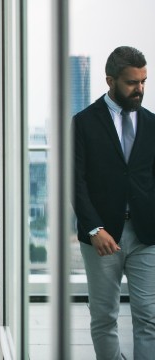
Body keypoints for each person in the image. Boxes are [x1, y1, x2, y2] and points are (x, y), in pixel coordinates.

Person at [73, 46, 155, 359]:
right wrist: (94, 227)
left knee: (148, 317)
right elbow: (74, 181)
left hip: (146, 234)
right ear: (110, 81)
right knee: (104, 317)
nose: (140, 89)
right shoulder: (83, 123)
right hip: (102, 235)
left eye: (144, 81)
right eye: (132, 83)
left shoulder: (152, 123)